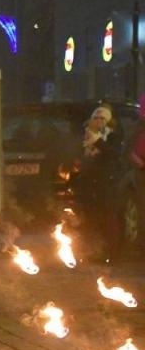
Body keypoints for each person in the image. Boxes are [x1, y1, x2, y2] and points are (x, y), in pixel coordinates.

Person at [76, 105, 123, 260]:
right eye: (96, 118)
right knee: (92, 218)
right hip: (90, 184)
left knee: (109, 218)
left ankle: (112, 253)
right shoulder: (85, 135)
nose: (99, 121)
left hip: (107, 183)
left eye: (102, 118)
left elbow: (113, 154)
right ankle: (93, 251)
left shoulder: (113, 136)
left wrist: (96, 141)